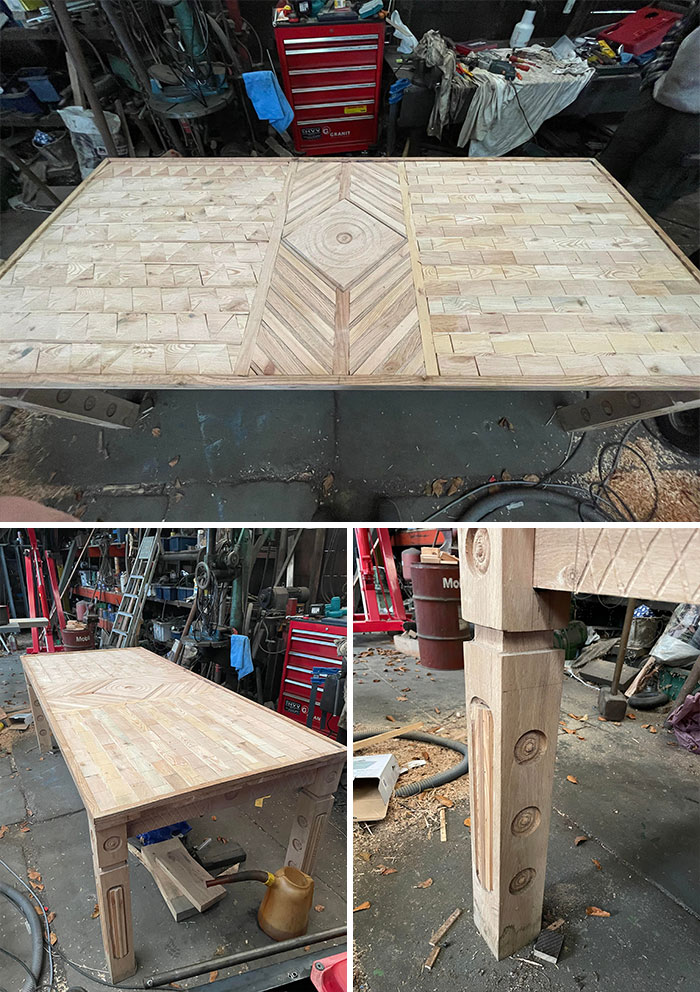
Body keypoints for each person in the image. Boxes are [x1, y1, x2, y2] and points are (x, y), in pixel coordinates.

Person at [598, 0, 700, 228]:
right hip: (659, 94)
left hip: (694, 122)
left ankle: (620, 238)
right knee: (612, 164)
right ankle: (578, 221)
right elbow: (677, 35)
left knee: (652, 185)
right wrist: (655, 76)